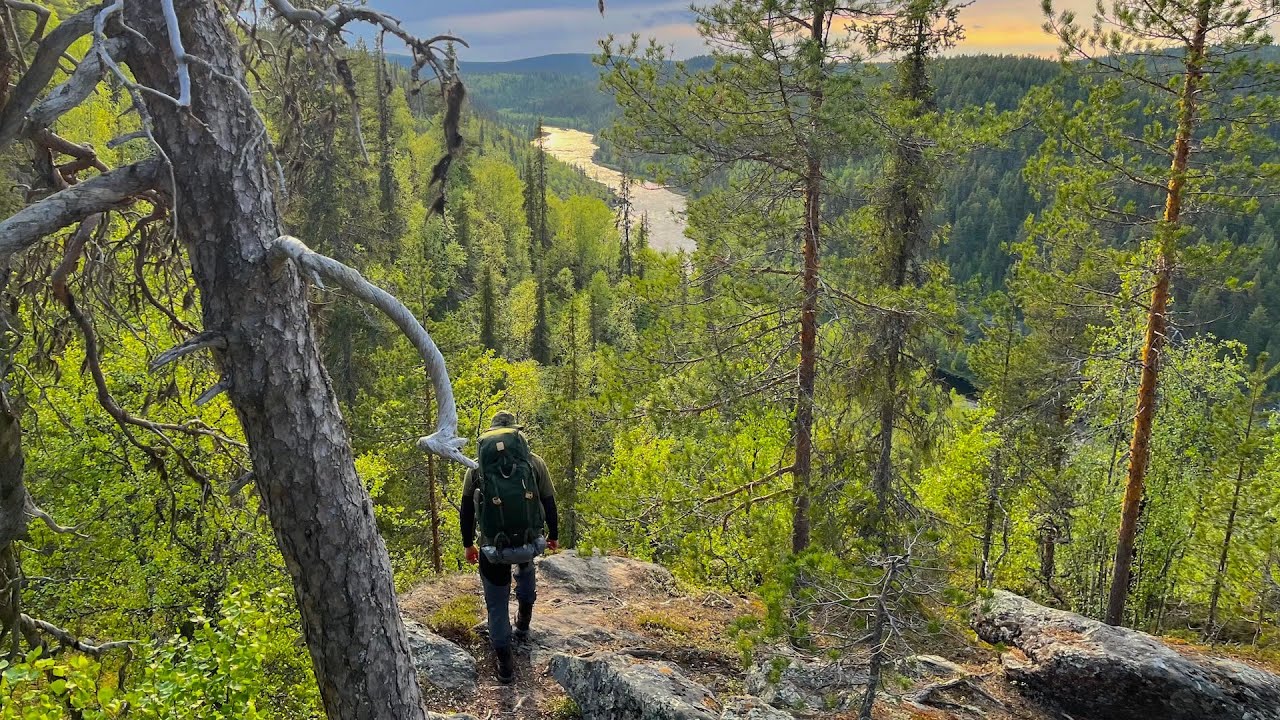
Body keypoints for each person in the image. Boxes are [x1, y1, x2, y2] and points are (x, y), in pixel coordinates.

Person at [460, 410, 559, 684]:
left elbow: (467, 509)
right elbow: (549, 501)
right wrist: (553, 534)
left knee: (496, 603)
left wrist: (469, 544)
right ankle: (524, 624)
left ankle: (505, 666)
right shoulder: (534, 463)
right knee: (525, 569)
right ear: (517, 433)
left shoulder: (476, 468)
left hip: (492, 547)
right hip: (527, 539)